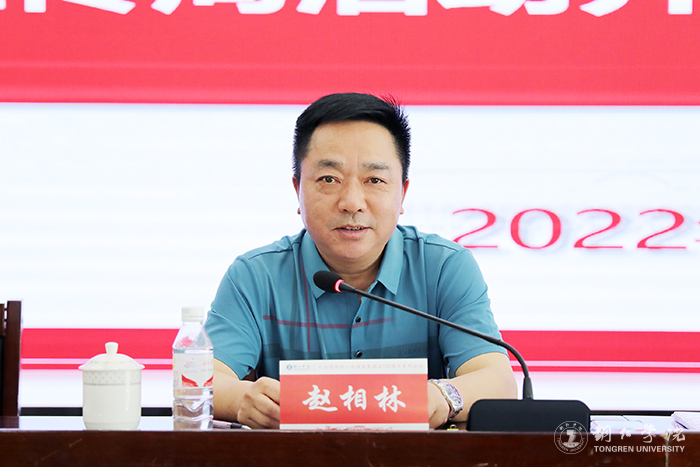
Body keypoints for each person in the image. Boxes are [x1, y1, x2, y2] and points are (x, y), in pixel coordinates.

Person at [205, 92, 517, 429]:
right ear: (298, 190)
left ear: (402, 193)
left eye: (374, 180)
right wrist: (243, 399)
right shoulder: (255, 276)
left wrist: (443, 396)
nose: (352, 202)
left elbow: (498, 381)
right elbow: (200, 381)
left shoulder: (444, 267)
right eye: (329, 179)